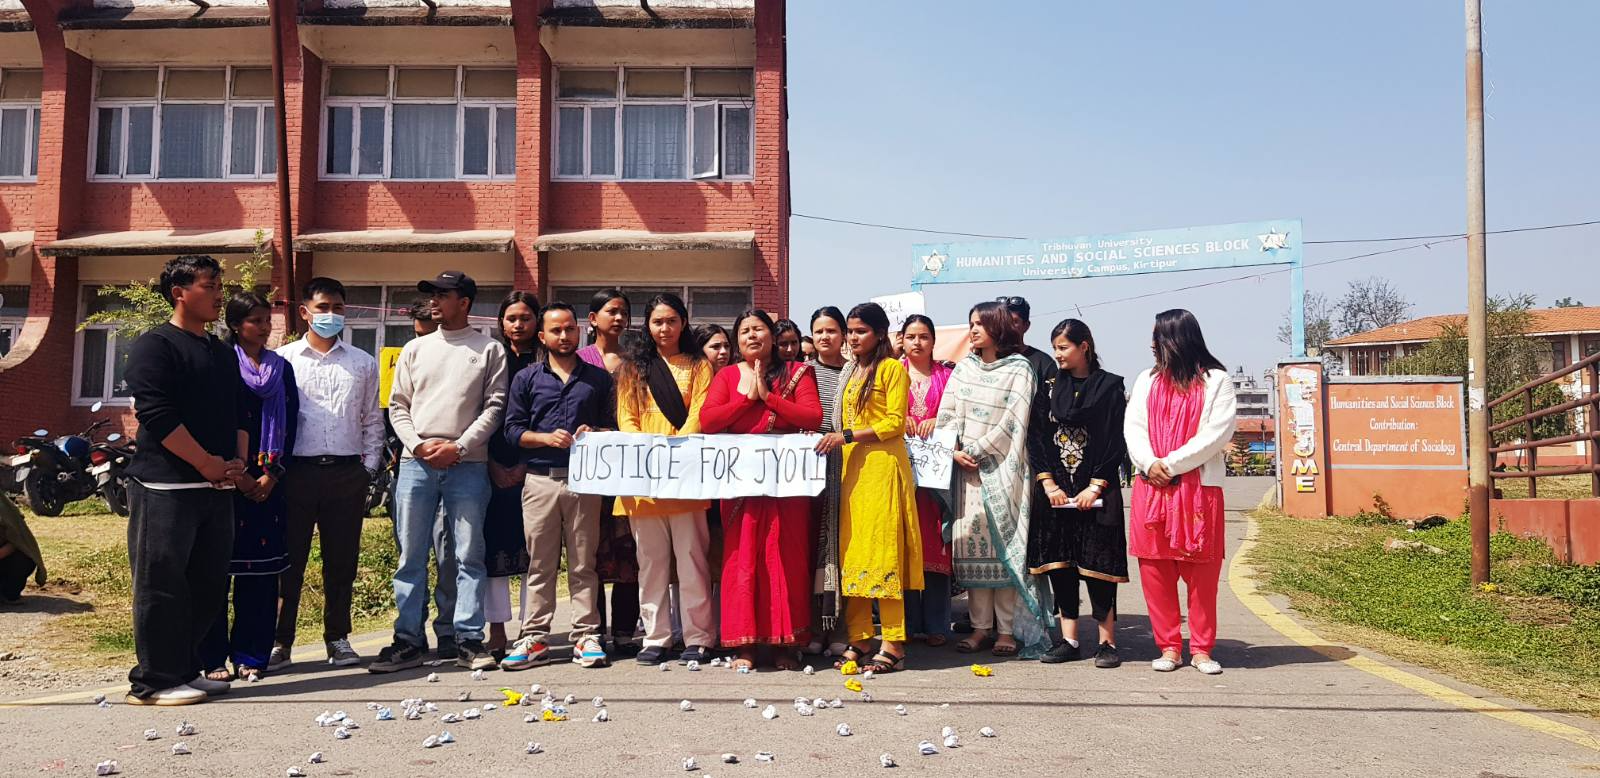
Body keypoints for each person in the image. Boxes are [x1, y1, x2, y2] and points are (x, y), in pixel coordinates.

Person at [122, 254, 250, 706]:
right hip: (166, 487)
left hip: (215, 488)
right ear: (179, 293)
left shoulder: (220, 350)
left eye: (219, 285)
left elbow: (238, 411)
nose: (219, 294)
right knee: (162, 585)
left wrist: (236, 462)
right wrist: (205, 463)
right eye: (209, 286)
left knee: (207, 586)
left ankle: (185, 670)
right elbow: (156, 415)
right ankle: (153, 681)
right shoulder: (155, 345)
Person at [373, 271, 508, 673]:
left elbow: (494, 407)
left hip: (468, 464)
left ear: (464, 302)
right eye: (432, 294)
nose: (434, 301)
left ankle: (468, 639)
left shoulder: (489, 349)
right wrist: (417, 445)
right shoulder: (415, 349)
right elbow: (398, 405)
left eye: (442, 295)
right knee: (411, 556)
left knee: (469, 556)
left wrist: (459, 446)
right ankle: (408, 640)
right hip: (416, 463)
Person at [700, 309, 822, 671]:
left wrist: (768, 397)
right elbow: (708, 421)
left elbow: (813, 417)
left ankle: (787, 644)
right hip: (741, 485)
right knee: (743, 559)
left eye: (758, 329)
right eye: (745, 331)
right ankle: (746, 645)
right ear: (737, 341)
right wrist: (746, 398)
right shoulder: (726, 376)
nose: (752, 336)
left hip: (788, 484)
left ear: (772, 336)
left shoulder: (797, 372)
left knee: (787, 558)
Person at [273, 277, 384, 672]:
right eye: (323, 308)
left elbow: (372, 420)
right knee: (288, 562)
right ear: (305, 312)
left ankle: (338, 638)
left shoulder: (362, 362)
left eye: (338, 308)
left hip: (345, 474)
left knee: (341, 562)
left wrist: (368, 469)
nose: (331, 315)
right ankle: (280, 641)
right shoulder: (282, 360)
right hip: (295, 474)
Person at [500, 302, 616, 670]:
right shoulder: (527, 378)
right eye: (556, 330)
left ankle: (586, 635)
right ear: (542, 336)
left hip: (584, 482)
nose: (564, 336)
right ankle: (535, 637)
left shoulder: (598, 379)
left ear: (580, 330)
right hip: (539, 481)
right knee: (540, 565)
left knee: (584, 564)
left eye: (569, 329)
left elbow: (614, 427)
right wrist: (544, 438)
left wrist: (595, 432)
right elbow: (512, 430)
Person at [938, 301, 1054, 660]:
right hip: (966, 473)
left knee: (1004, 553)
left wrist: (976, 449)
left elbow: (1014, 422)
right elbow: (947, 414)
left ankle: (1005, 630)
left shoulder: (1020, 369)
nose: (973, 330)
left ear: (998, 327)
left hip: (1004, 470)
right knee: (972, 551)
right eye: (971, 323)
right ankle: (979, 628)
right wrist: (955, 451)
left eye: (980, 324)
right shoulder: (963, 368)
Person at [1124, 309, 1236, 675]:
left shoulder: (1217, 381)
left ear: (1175, 340)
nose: (1151, 344)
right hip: (1151, 486)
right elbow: (1134, 428)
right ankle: (1169, 647)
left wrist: (1169, 465)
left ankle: (1201, 649)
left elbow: (1216, 434)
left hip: (1198, 490)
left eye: (1157, 337)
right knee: (1155, 571)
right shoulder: (1146, 380)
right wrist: (1148, 463)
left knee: (1202, 576)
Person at [815, 303, 922, 674]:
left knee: (882, 556)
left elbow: (894, 423)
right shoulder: (850, 370)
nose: (852, 337)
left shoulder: (892, 368)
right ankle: (860, 638)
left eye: (860, 330)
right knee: (854, 556)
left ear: (878, 333)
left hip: (882, 469)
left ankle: (893, 642)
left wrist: (845, 436)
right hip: (851, 473)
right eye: (850, 330)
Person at [200, 292, 298, 683]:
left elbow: (291, 423)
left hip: (268, 482)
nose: (264, 327)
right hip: (224, 480)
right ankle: (212, 658)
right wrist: (237, 474)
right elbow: (215, 421)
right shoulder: (221, 363)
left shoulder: (281, 368)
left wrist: (272, 474)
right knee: (215, 573)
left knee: (261, 574)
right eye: (256, 320)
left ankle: (251, 655)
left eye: (267, 319)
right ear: (236, 325)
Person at [615, 293, 715, 666]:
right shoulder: (632, 369)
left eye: (672, 320)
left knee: (692, 561)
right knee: (651, 564)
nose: (665, 328)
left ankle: (698, 636)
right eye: (658, 321)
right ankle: (655, 636)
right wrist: (647, 450)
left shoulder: (699, 365)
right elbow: (626, 417)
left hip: (685, 477)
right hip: (644, 480)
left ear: (683, 323)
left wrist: (675, 450)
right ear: (648, 325)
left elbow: (700, 412)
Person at [1029, 318, 1128, 668]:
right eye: (1054, 348)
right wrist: (1048, 484)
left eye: (1063, 347)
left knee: (1099, 568)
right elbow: (1036, 437)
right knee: (1062, 567)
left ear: (1084, 346)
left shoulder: (1109, 386)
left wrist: (1096, 485)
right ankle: (1069, 639)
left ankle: (1107, 643)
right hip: (1056, 492)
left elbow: (1115, 439)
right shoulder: (1048, 387)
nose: (1057, 354)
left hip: (1098, 490)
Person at [579, 288, 641, 655]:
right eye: (611, 311)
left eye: (623, 312)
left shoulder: (636, 362)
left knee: (628, 550)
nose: (618, 318)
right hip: (590, 470)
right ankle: (594, 629)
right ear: (592, 319)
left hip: (629, 468)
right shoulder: (579, 360)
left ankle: (625, 631)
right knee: (591, 550)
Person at [485, 292, 541, 658]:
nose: (518, 324)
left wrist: (525, 464)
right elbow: (480, 414)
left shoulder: (547, 362)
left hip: (535, 468)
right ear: (502, 323)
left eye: (525, 318)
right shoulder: (491, 358)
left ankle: (529, 628)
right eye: (511, 318)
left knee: (534, 553)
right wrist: (492, 463)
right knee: (494, 552)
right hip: (490, 466)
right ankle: (496, 631)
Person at [898, 314, 954, 647]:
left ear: (933, 341)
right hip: (902, 476)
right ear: (902, 340)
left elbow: (959, 414)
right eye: (911, 336)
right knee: (904, 546)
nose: (917, 342)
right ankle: (904, 623)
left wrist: (940, 420)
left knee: (936, 546)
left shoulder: (948, 376)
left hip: (936, 480)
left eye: (923, 337)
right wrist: (900, 417)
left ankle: (936, 624)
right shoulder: (892, 373)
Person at [805, 305, 848, 654]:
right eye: (819, 331)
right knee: (811, 548)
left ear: (843, 335)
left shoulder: (855, 372)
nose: (824, 337)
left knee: (842, 547)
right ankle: (814, 628)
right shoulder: (801, 373)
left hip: (846, 467)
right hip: (808, 472)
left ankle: (840, 628)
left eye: (831, 330)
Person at [0, 494, 45, 605]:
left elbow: (19, 539)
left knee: (24, 558)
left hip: (4, 561)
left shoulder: (5, 508)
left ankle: (8, 593)